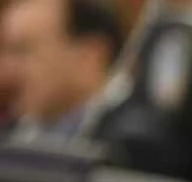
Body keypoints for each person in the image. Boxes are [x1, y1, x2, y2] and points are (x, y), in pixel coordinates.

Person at [0, 0, 117, 136]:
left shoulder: (129, 138)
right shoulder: (16, 132)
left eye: (22, 51)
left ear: (89, 58)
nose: (5, 71)